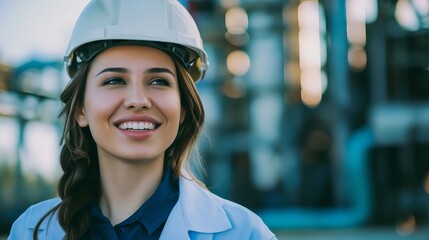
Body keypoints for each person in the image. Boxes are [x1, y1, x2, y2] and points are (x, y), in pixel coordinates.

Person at [8, 0, 277, 239]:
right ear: (80, 110)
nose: (138, 99)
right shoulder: (30, 232)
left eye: (159, 81)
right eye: (114, 80)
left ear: (183, 108)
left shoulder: (245, 233)